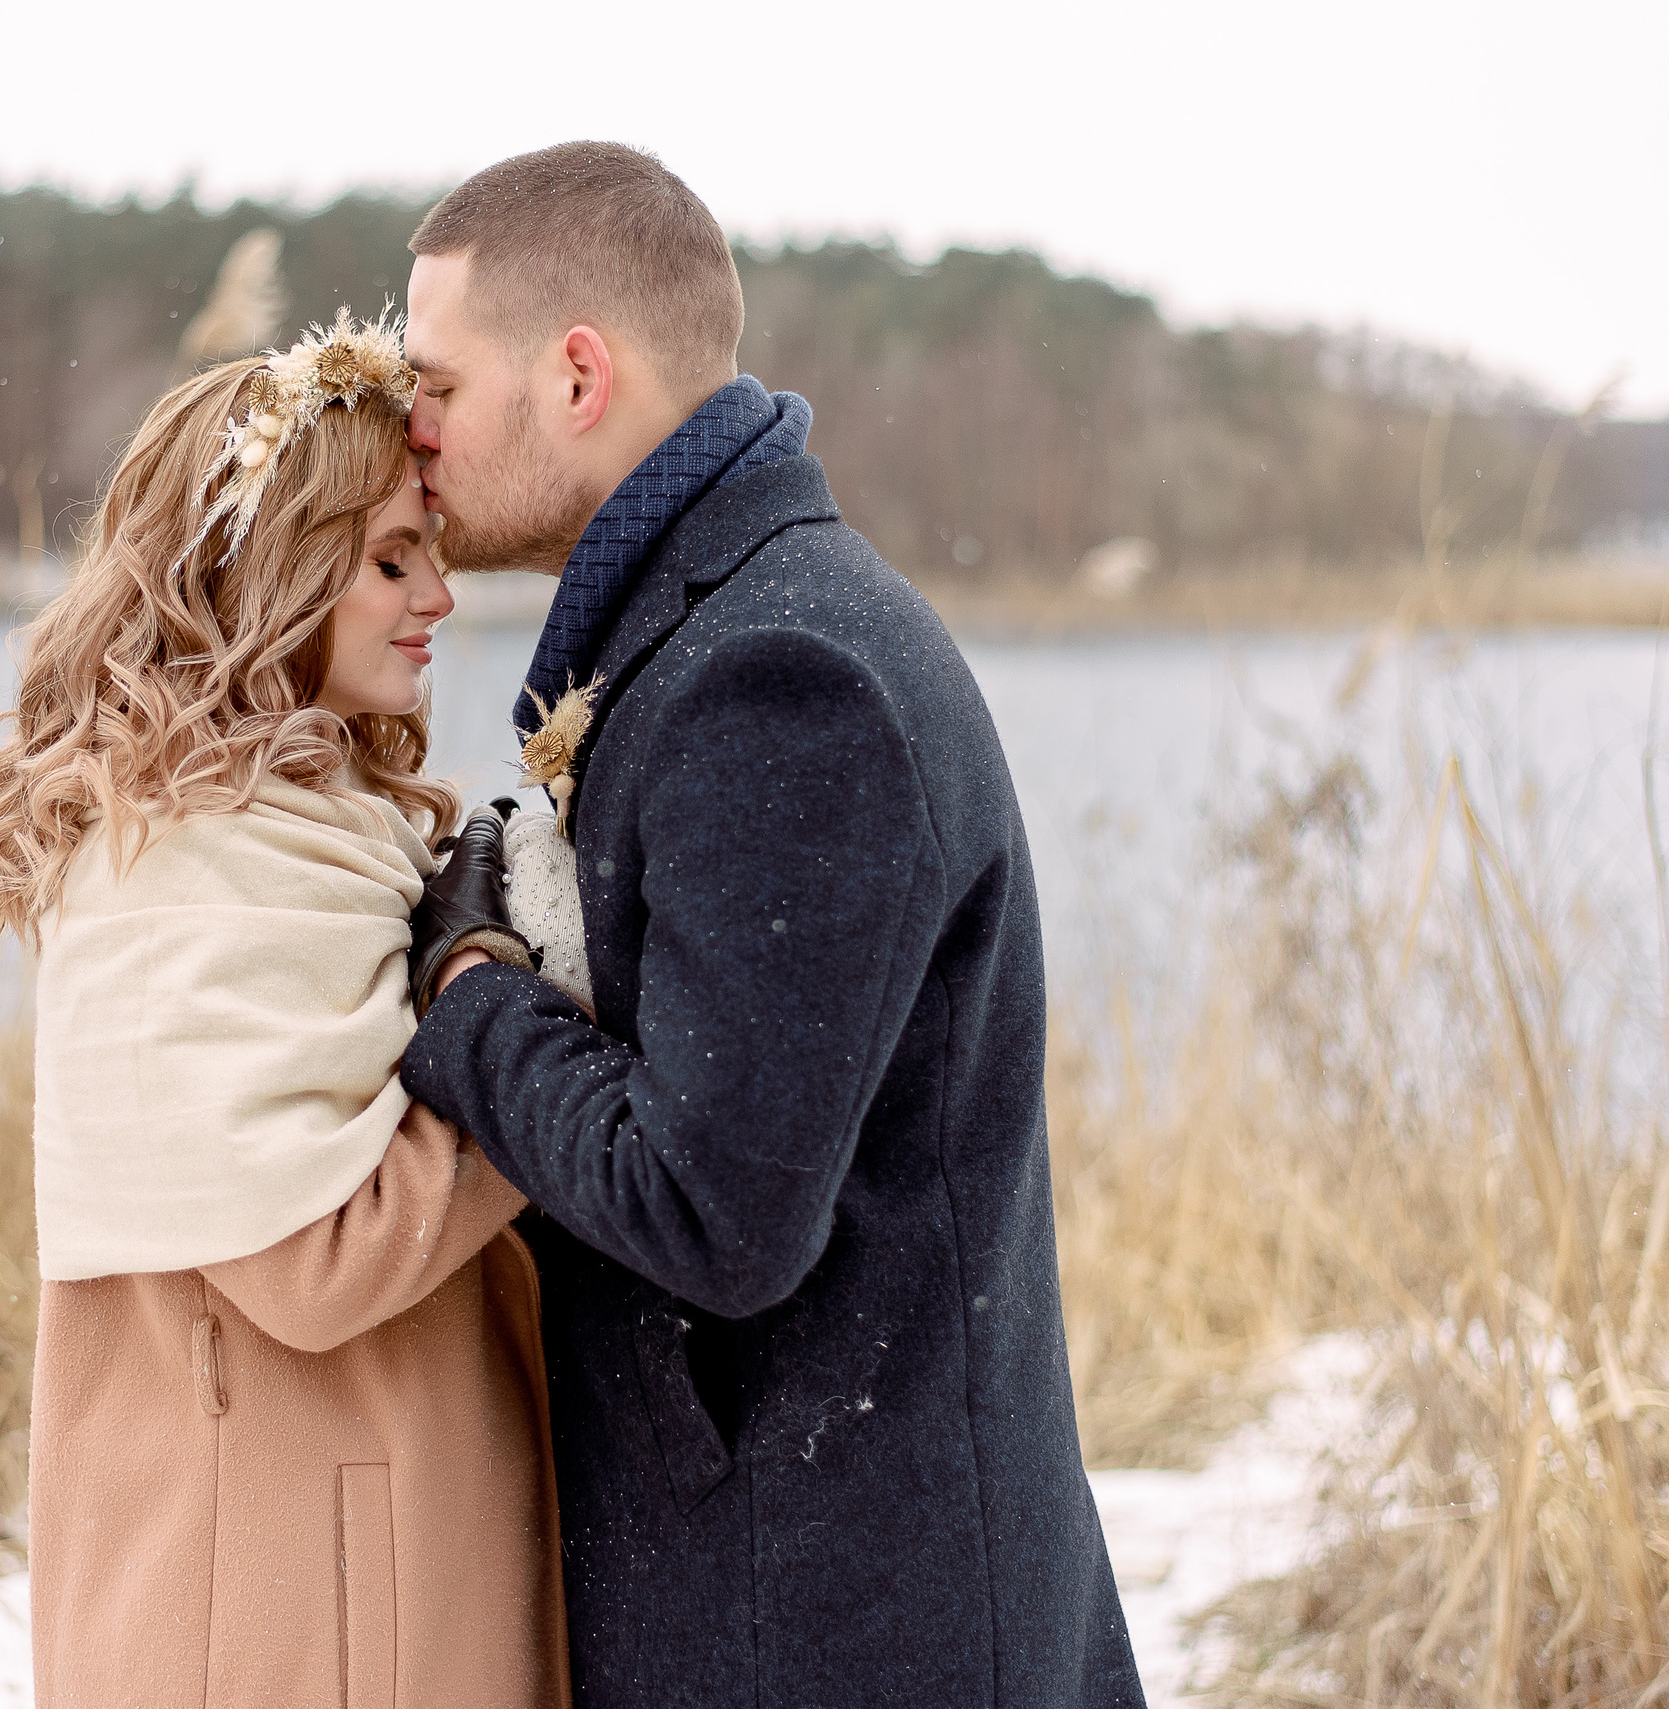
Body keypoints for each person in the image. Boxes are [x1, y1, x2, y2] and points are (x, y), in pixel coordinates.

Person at [397, 143, 1145, 1707]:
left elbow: (712, 1208)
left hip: (832, 1629)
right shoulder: (734, 621)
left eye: (438, 384)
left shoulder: (782, 676)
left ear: (579, 374)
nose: (414, 430)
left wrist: (467, 992)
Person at [0, 314, 568, 1709]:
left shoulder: (300, 824)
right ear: (271, 574)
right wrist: (541, 1041)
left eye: (437, 555)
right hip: (280, 1601)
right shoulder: (181, 856)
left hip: (344, 1544)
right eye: (389, 560)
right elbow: (318, 1260)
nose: (437, 599)